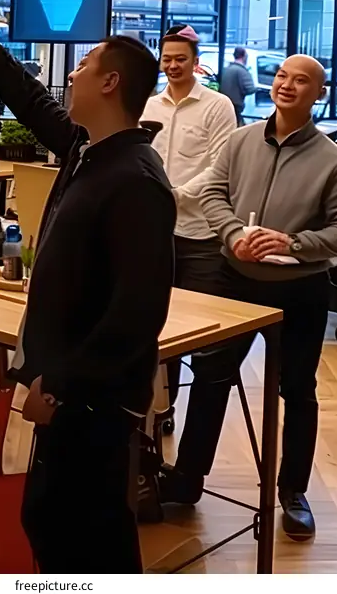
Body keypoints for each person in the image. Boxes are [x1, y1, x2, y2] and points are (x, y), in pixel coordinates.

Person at [0, 0, 175, 575]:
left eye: (84, 66)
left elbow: (135, 313)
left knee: (84, 529)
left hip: (92, 393)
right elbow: (31, 102)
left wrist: (62, 385)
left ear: (111, 83)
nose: (71, 75)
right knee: (55, 520)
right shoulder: (88, 148)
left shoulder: (136, 182)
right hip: (72, 381)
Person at [163, 55, 337, 541]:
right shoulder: (241, 140)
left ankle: (293, 490)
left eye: (302, 80)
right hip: (234, 279)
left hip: (300, 288)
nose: (287, 85)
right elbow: (214, 196)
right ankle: (187, 480)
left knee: (299, 390)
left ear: (319, 94)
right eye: (282, 76)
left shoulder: (335, 161)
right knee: (210, 377)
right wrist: (230, 234)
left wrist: (293, 243)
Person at [142, 25, 236, 403]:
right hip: (155, 233)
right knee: (157, 326)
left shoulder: (218, 106)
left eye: (181, 59)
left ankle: (200, 415)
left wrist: (177, 195)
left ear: (197, 64)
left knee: (201, 332)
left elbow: (220, 165)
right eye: (167, 59)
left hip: (201, 235)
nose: (173, 66)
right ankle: (163, 410)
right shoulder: (149, 105)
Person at [221, 46, 255, 124]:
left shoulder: (226, 69)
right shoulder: (242, 71)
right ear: (244, 56)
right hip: (236, 106)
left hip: (225, 105)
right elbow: (250, 89)